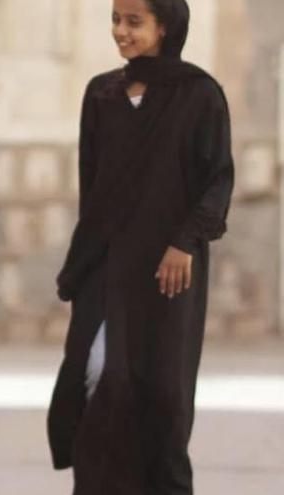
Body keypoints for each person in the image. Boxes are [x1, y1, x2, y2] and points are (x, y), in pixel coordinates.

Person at [47, 0, 234, 493]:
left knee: (164, 397)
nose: (121, 32)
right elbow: (94, 187)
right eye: (115, 20)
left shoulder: (199, 95)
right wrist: (84, 264)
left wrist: (184, 243)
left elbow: (217, 180)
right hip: (107, 267)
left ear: (165, 27)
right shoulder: (102, 94)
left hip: (169, 271)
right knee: (98, 380)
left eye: (134, 22)